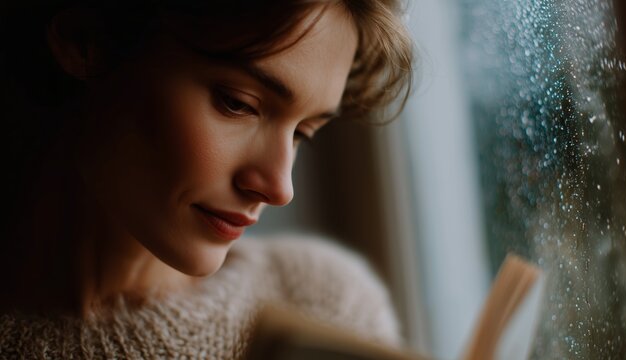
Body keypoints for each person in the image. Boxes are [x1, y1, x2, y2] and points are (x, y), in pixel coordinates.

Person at [0, 0, 413, 358]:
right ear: (85, 42)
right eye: (238, 104)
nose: (279, 187)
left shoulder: (325, 303)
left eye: (303, 132)